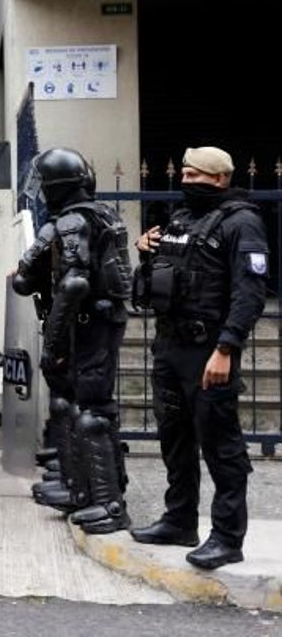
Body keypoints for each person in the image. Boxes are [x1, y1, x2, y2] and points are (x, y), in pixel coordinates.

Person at [129, 146, 267, 570]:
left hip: (210, 350)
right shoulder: (182, 220)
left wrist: (227, 348)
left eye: (196, 175)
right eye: (184, 174)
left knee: (221, 446)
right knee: (176, 438)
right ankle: (179, 519)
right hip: (171, 347)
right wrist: (146, 251)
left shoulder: (242, 223)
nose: (187, 181)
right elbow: (166, 278)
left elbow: (250, 293)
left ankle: (227, 537)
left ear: (220, 179)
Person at [12, 147, 133, 535]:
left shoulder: (73, 222)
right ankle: (79, 489)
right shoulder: (98, 216)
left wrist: (52, 342)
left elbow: (75, 282)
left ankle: (110, 504)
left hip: (88, 327)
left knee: (92, 411)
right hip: (95, 323)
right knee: (71, 404)